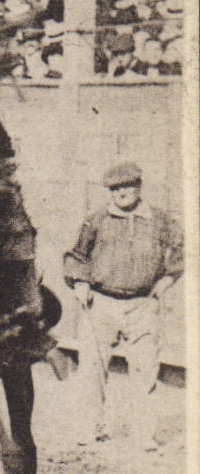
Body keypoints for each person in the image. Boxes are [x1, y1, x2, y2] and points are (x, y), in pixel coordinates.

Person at [63, 161, 183, 449]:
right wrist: (80, 283)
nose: (121, 193)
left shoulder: (160, 220)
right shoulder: (96, 220)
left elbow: (181, 253)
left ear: (138, 187)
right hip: (101, 303)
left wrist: (163, 286)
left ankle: (143, 432)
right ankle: (89, 428)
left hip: (142, 305)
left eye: (127, 187)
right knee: (92, 369)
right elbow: (77, 256)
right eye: (115, 188)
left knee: (145, 371)